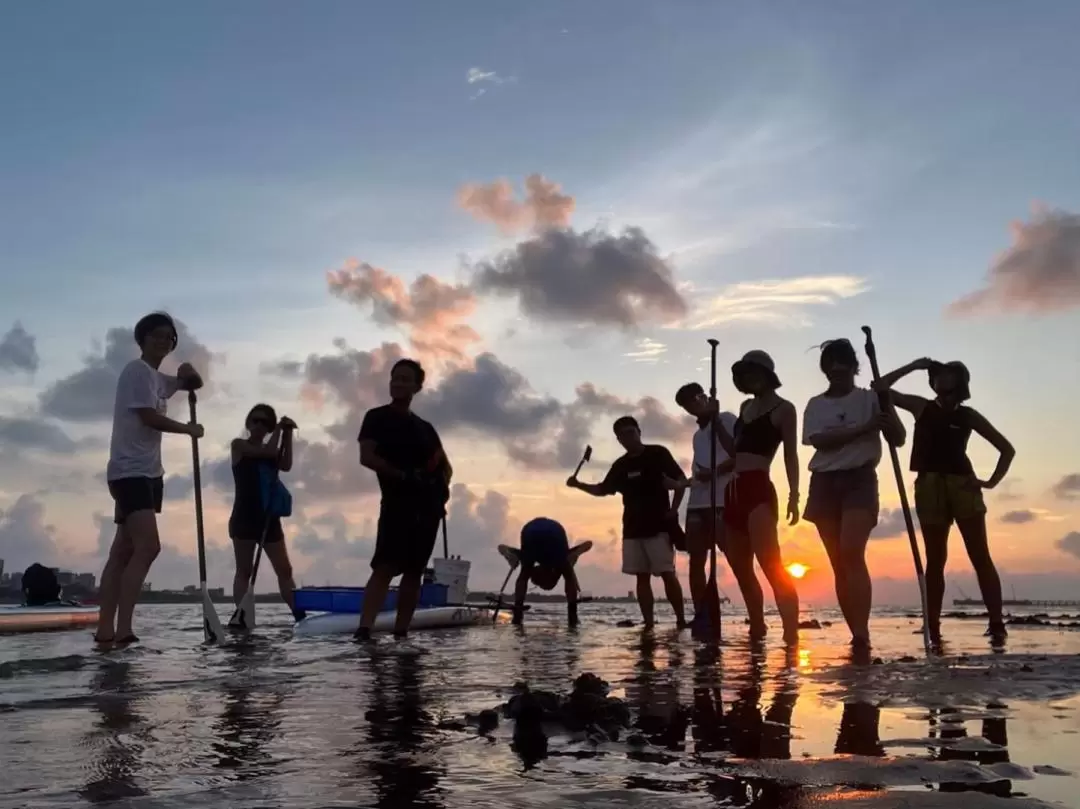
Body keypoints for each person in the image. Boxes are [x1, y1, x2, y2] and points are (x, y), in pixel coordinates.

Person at [873, 357, 1014, 646]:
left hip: (962, 486)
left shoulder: (968, 415)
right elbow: (880, 387)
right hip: (929, 486)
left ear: (959, 381)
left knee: (980, 557)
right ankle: (933, 627)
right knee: (935, 560)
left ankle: (997, 624)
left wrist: (989, 482)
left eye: (947, 374)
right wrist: (914, 366)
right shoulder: (921, 406)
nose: (940, 377)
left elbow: (1006, 450)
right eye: (936, 374)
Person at [671, 350, 801, 643]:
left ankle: (791, 633)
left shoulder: (784, 409)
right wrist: (716, 421)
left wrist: (794, 494)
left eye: (753, 373)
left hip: (759, 488)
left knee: (771, 563)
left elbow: (790, 455)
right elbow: (734, 450)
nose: (748, 379)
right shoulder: (744, 408)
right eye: (744, 375)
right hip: (732, 491)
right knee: (741, 568)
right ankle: (758, 627)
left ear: (767, 374)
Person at [96, 311, 203, 645]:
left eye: (169, 337)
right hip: (130, 471)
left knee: (123, 551)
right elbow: (148, 418)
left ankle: (104, 630)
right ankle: (124, 629)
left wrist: (188, 371)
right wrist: (188, 430)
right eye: (155, 335)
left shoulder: (157, 379)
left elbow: (193, 383)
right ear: (141, 339)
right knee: (148, 546)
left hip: (149, 473)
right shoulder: (137, 371)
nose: (162, 340)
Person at [801, 339, 906, 649]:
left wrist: (885, 409)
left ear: (853, 366)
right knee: (837, 562)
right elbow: (818, 440)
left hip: (859, 479)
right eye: (830, 364)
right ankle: (856, 632)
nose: (836, 369)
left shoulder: (872, 398)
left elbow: (898, 438)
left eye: (842, 362)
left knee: (851, 552)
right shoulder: (816, 404)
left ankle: (862, 632)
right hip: (823, 481)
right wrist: (865, 428)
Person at [353, 358, 452, 642]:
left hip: (428, 508)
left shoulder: (425, 428)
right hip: (396, 503)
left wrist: (439, 490)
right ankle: (364, 630)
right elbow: (366, 457)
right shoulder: (376, 417)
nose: (398, 383)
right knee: (383, 567)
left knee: (414, 572)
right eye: (394, 378)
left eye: (405, 379)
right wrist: (402, 475)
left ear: (417, 387)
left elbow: (445, 466)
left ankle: (401, 632)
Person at [567, 416, 687, 630]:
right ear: (618, 439)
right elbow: (603, 489)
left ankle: (680, 620)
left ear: (639, 432)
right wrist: (579, 485)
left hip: (659, 526)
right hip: (632, 528)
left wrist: (674, 510)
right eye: (622, 435)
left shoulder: (658, 453)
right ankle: (649, 624)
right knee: (641, 577)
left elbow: (680, 481)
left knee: (668, 573)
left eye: (630, 432)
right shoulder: (621, 465)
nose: (627, 438)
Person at [673, 382, 745, 633]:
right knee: (696, 561)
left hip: (722, 500)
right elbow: (697, 470)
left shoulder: (726, 419)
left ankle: (754, 614)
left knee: (735, 556)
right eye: (686, 406)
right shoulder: (696, 435)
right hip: (697, 502)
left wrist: (713, 473)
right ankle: (701, 613)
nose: (692, 408)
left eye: (694, 400)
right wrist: (684, 483)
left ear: (704, 397)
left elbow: (737, 455)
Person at [228, 404, 303, 621]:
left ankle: (298, 614)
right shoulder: (239, 445)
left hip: (269, 519)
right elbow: (268, 452)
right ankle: (242, 613)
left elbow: (286, 464)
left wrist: (287, 435)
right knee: (245, 570)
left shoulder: (271, 451)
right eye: (255, 421)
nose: (259, 425)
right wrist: (280, 428)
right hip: (244, 517)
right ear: (249, 423)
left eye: (265, 423)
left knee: (285, 570)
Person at [509, 517, 592, 627]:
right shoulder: (560, 563)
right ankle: (573, 617)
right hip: (546, 531)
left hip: (538, 531)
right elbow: (570, 580)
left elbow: (523, 579)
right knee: (525, 574)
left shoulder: (558, 563)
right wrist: (572, 608)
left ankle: (517, 615)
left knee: (525, 573)